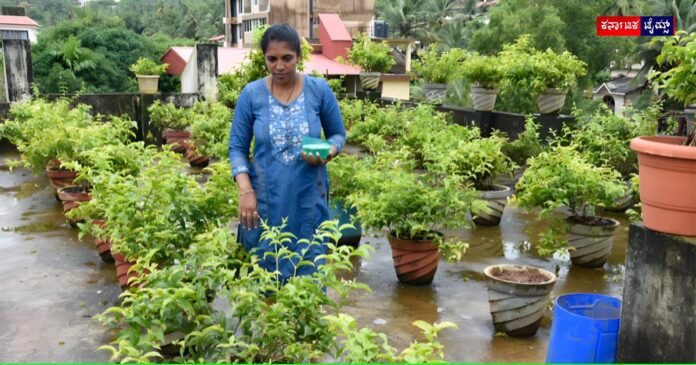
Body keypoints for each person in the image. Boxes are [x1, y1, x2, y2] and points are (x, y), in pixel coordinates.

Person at [228, 23, 346, 282]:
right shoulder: (251, 95)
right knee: (264, 277)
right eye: (272, 59)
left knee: (307, 275)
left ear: (298, 57)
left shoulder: (319, 91)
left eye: (287, 58)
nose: (279, 66)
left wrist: (330, 150)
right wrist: (246, 192)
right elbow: (237, 148)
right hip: (264, 201)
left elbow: (339, 135)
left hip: (308, 199)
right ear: (264, 58)